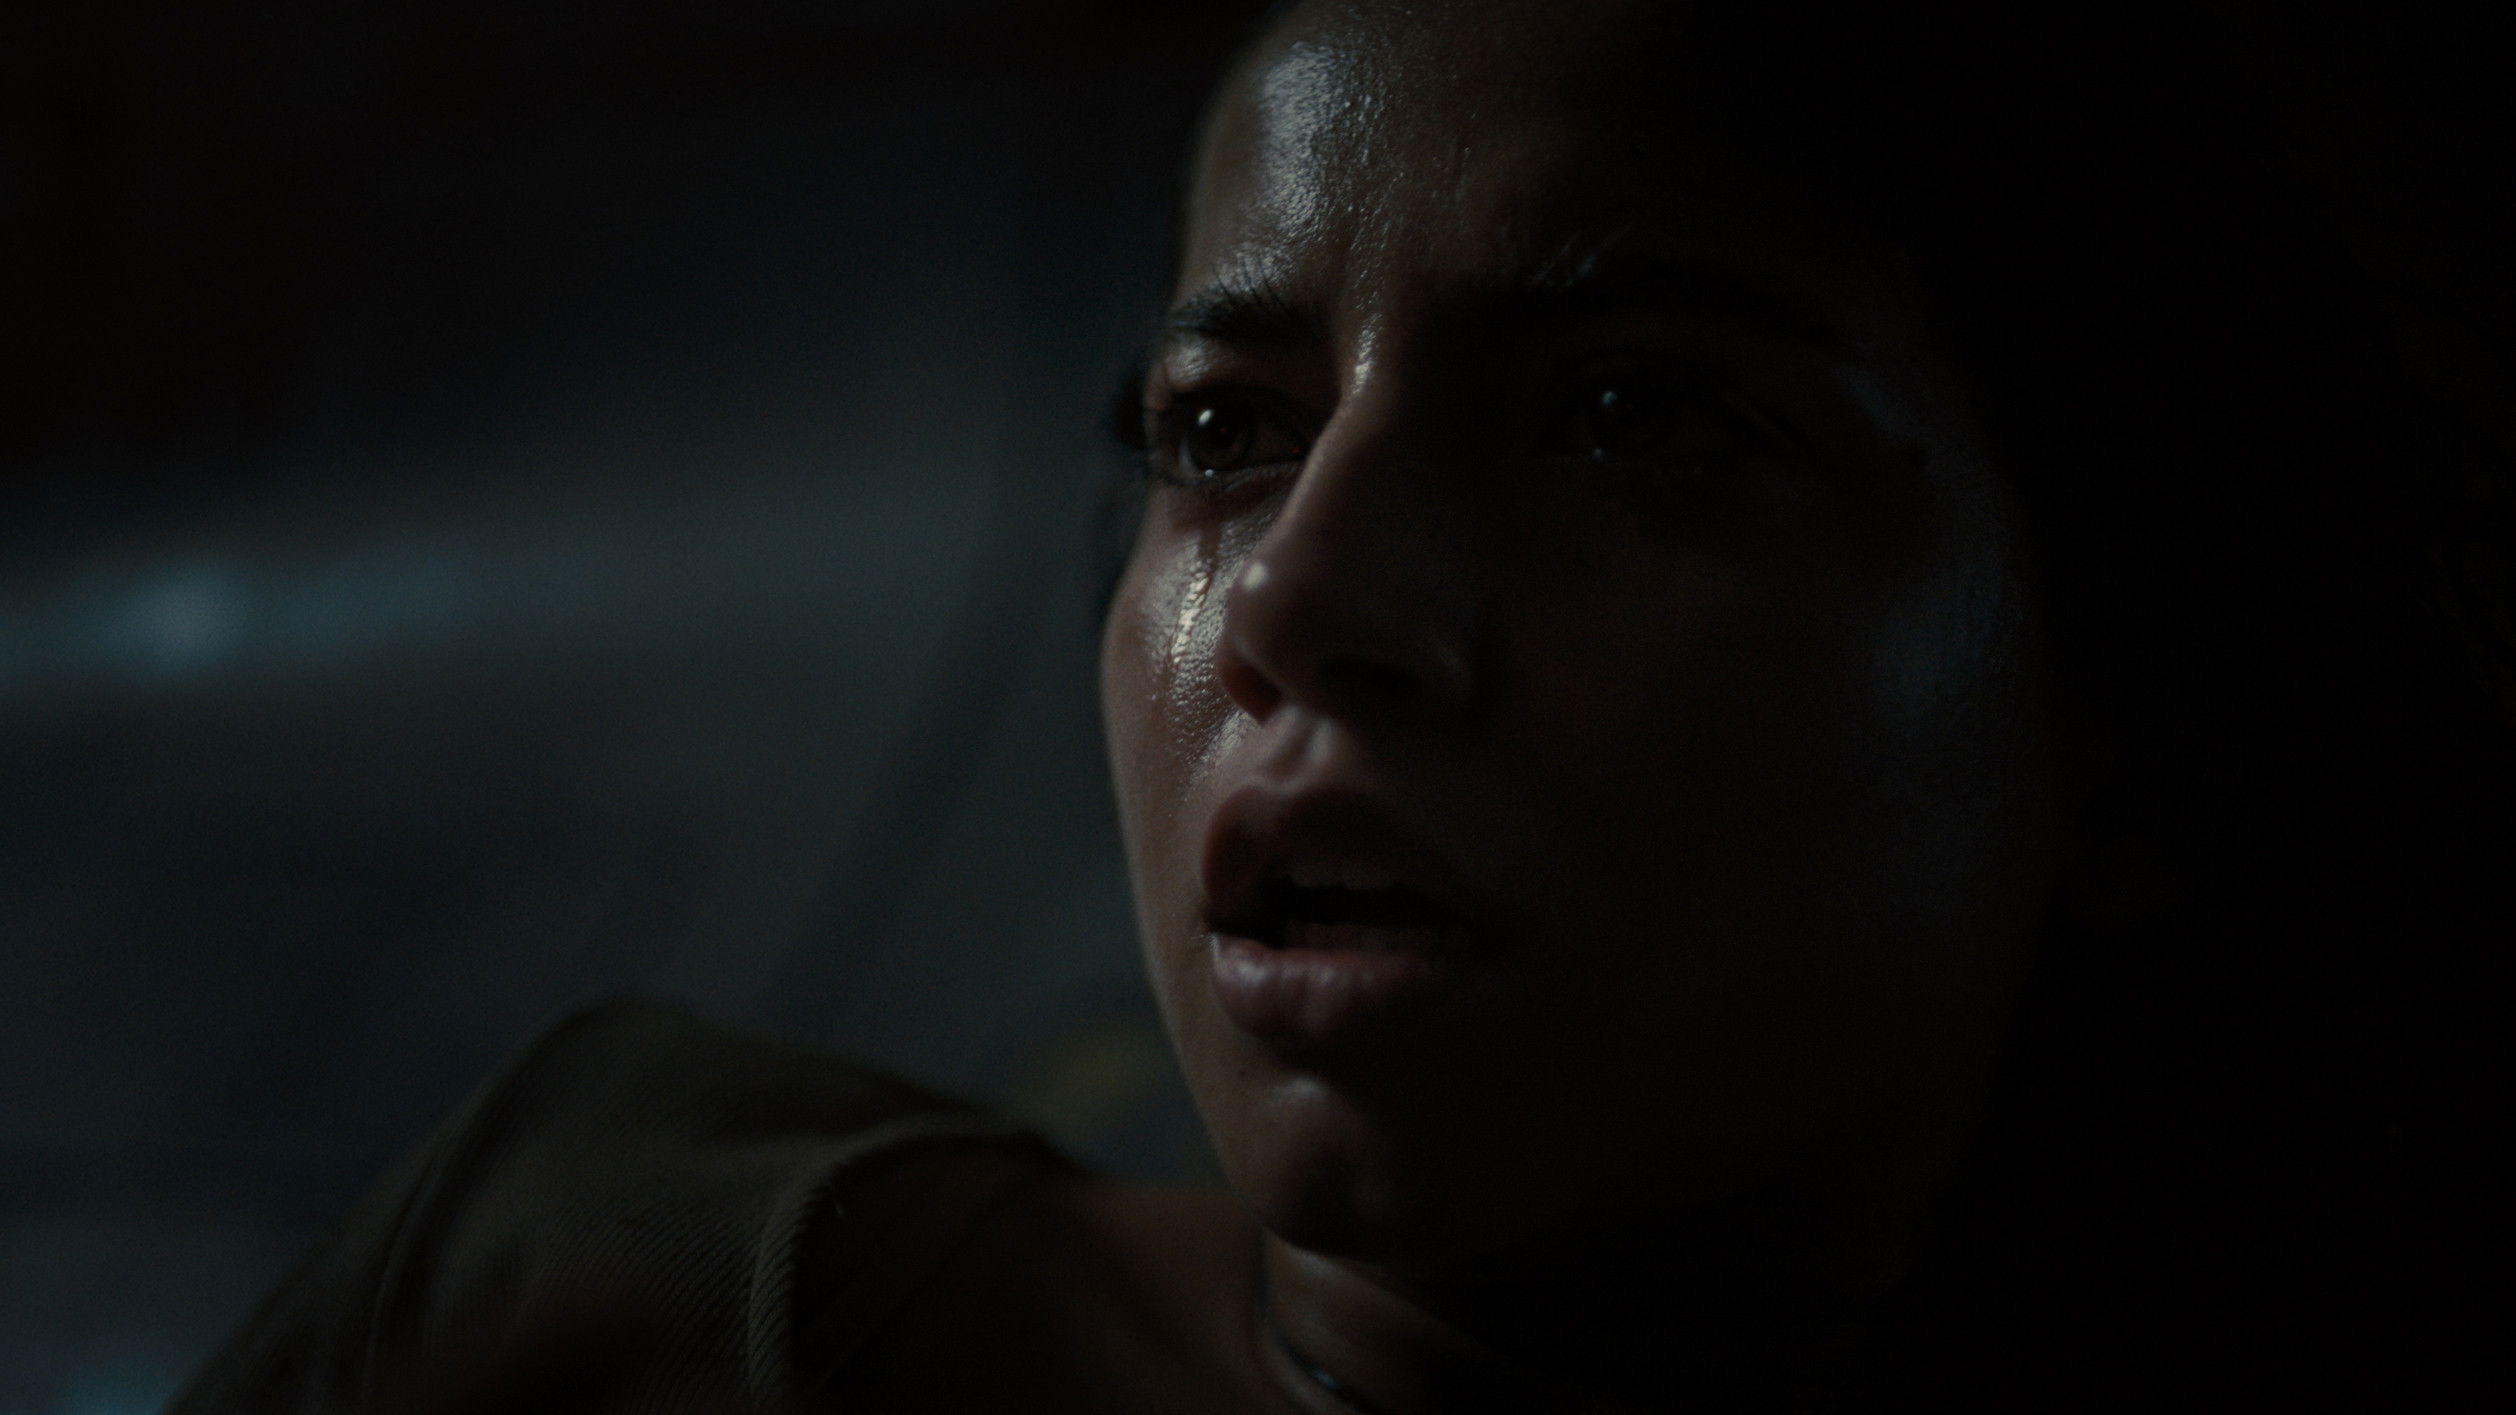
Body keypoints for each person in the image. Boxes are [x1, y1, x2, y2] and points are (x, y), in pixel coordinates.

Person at [172, 1, 2509, 1411]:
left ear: (2111, 693)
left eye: (1633, 418)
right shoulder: (597, 1279)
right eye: (1221, 428)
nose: (1299, 594)